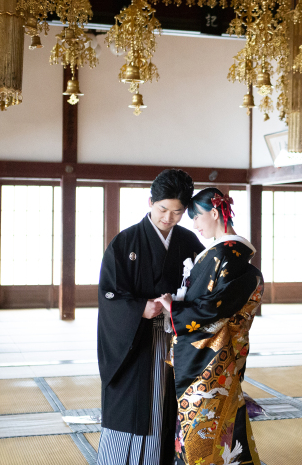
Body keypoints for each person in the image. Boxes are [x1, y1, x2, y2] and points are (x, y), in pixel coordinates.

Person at [96, 169, 206, 465]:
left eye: (177, 212)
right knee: (132, 408)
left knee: (171, 408)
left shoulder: (189, 243)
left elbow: (205, 293)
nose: (168, 218)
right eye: (162, 209)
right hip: (136, 342)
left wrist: (178, 310)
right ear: (150, 202)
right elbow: (108, 295)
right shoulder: (125, 243)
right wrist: (139, 309)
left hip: (177, 339)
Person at [156, 187, 263, 465]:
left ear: (214, 213)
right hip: (225, 355)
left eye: (196, 217)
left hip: (207, 360)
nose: (194, 225)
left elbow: (214, 307)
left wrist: (174, 307)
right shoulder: (232, 255)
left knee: (200, 428)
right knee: (226, 423)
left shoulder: (222, 255)